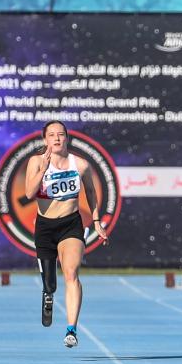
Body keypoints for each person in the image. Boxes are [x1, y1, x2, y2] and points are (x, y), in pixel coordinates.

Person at [24, 121, 108, 348]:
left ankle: (71, 329)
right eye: (52, 135)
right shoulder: (35, 162)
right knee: (50, 283)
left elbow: (90, 192)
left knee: (71, 273)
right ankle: (48, 293)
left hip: (71, 225)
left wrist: (97, 221)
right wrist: (43, 168)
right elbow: (30, 193)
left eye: (61, 134)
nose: (57, 138)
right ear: (45, 140)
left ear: (67, 138)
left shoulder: (80, 164)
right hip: (44, 227)